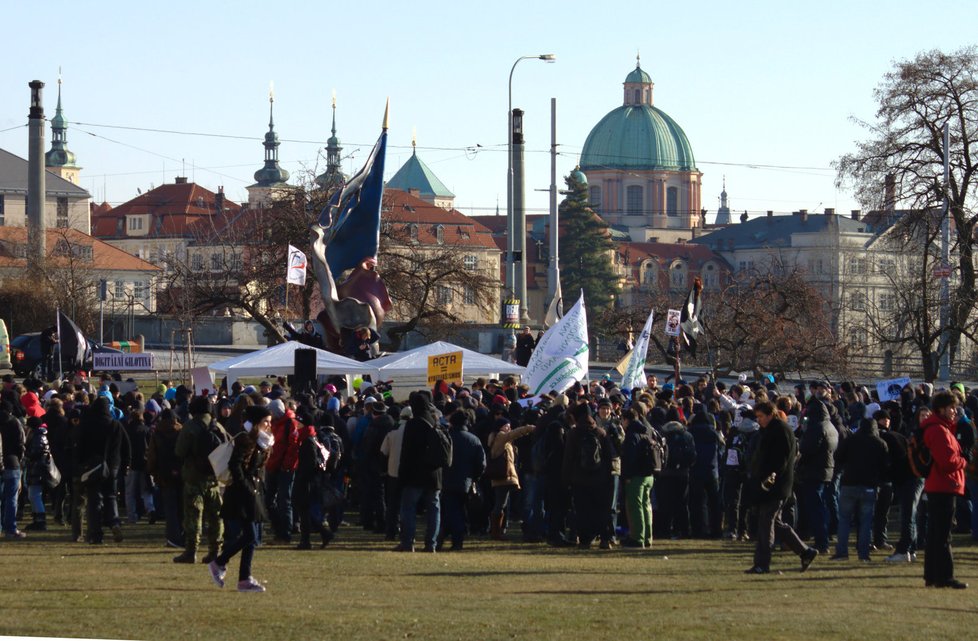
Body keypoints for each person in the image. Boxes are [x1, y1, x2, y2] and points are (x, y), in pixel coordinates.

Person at [745, 400, 818, 574]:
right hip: (773, 484)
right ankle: (805, 551)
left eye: (761, 416)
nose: (759, 420)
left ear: (770, 414)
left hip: (775, 485)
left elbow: (780, 461)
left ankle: (762, 563)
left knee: (766, 524)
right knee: (776, 524)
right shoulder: (772, 430)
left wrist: (768, 479)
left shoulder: (779, 431)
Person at [208, 405, 274, 592]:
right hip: (242, 494)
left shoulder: (263, 441)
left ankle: (244, 579)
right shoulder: (246, 440)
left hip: (254, 492)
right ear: (255, 423)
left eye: (269, 422)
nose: (269, 426)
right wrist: (246, 487)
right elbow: (235, 465)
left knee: (251, 538)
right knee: (250, 535)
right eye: (265, 422)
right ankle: (219, 562)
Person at [920, 391, 968, 589]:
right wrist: (964, 460)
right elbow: (948, 462)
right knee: (942, 535)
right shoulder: (939, 430)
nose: (954, 411)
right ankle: (944, 576)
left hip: (938, 485)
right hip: (944, 486)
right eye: (951, 408)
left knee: (935, 534)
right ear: (941, 408)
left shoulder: (937, 428)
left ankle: (932, 575)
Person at [173, 396, 227, 564]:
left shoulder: (190, 426)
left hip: (194, 478)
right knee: (216, 517)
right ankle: (215, 551)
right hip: (214, 480)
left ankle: (191, 551)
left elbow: (179, 451)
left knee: (193, 516)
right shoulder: (218, 427)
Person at [832, 417, 888, 561]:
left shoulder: (850, 440)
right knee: (866, 522)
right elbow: (885, 465)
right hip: (869, 485)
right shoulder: (880, 443)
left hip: (849, 483)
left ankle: (842, 552)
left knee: (844, 520)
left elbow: (838, 457)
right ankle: (863, 554)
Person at [0, 400, 27, 539]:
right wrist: (20, 462)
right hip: (12, 462)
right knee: (11, 497)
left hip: (2, 461)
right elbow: (21, 444)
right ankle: (10, 528)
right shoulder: (15, 423)